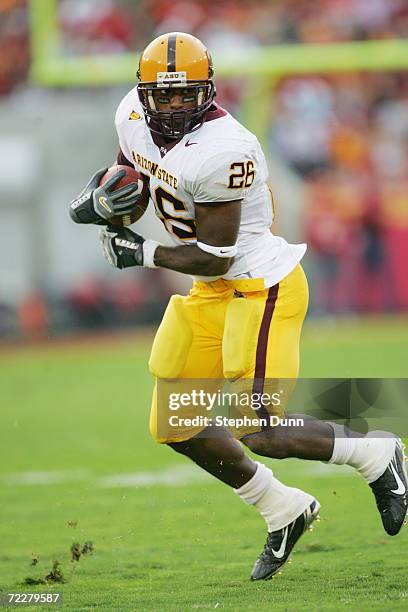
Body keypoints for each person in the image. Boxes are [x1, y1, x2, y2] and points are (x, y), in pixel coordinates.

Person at [69, 32, 407, 581]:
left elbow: (215, 258)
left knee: (261, 430)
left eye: (187, 95)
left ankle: (377, 452)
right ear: (142, 92)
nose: (174, 106)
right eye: (164, 95)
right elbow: (131, 170)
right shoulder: (130, 114)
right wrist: (112, 197)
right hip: (212, 293)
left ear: (208, 91)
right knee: (177, 423)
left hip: (257, 285)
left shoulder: (227, 148)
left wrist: (142, 252)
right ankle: (283, 508)